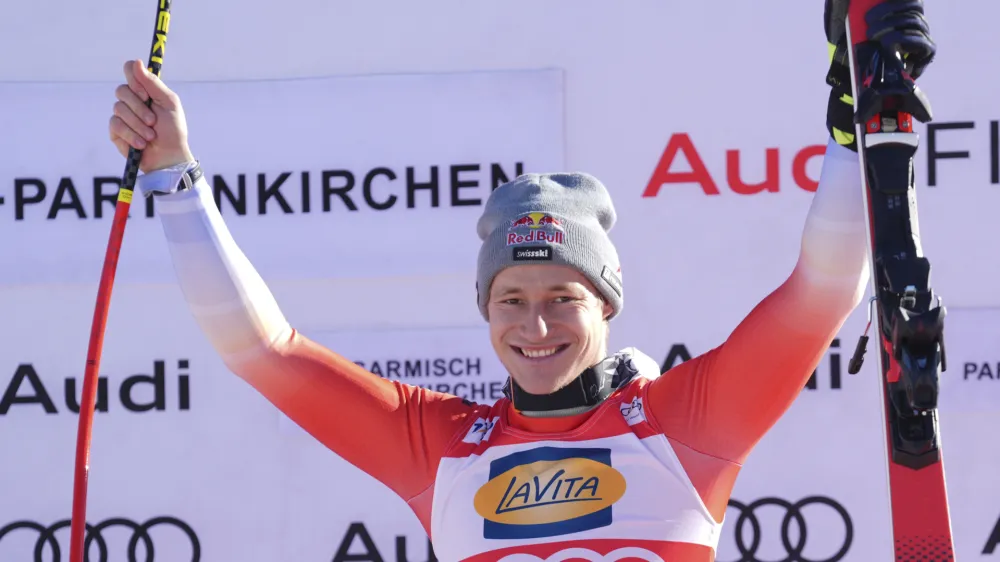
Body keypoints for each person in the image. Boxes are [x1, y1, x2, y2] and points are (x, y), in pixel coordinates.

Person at [106, 1, 935, 559]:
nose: (535, 328)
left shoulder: (684, 423)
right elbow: (262, 349)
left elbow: (822, 291)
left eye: (562, 299)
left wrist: (852, 129)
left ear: (606, 303)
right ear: (485, 308)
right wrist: (176, 179)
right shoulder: (438, 446)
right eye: (511, 300)